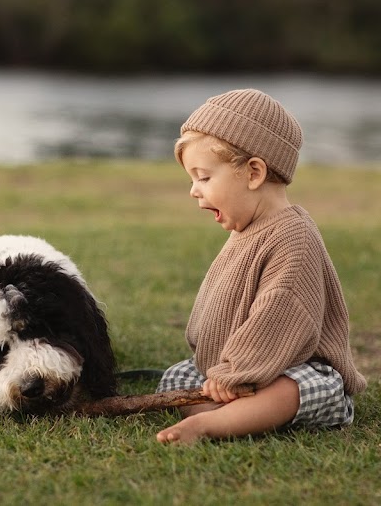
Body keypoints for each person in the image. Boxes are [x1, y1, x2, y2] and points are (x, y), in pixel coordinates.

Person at [156, 88, 366, 445]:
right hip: (232, 368)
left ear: (253, 173)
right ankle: (235, 416)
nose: (194, 190)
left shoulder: (292, 237)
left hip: (289, 365)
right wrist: (217, 368)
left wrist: (238, 371)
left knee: (300, 388)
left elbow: (280, 313)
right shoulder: (246, 228)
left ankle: (210, 424)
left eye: (204, 177)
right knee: (176, 378)